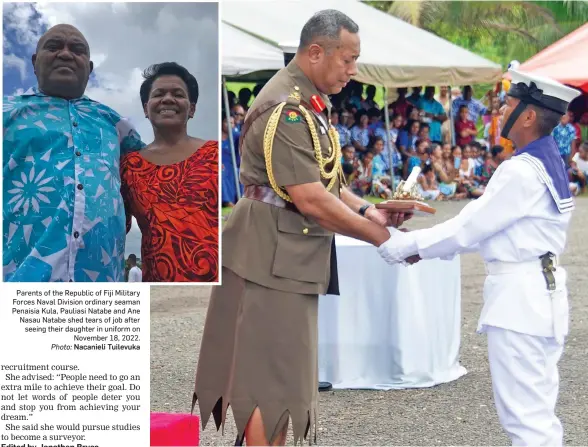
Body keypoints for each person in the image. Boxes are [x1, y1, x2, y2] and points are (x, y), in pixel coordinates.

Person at [193, 10, 412, 447]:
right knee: (270, 382)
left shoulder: (307, 98)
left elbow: (330, 179)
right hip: (270, 255)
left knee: (282, 375)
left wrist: (370, 211)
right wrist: (387, 241)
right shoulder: (288, 108)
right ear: (316, 52)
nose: (353, 71)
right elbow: (311, 198)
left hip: (281, 252)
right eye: (348, 60)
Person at [378, 68, 581, 446]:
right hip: (543, 296)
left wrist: (403, 246)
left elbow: (467, 228)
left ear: (529, 115)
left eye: (509, 104)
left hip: (521, 300)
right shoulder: (548, 159)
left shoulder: (521, 170)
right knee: (539, 414)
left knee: (525, 421)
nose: (502, 111)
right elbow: (482, 229)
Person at [3, 24, 144, 282]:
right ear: (35, 63)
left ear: (89, 68)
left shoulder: (115, 124)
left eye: (77, 50)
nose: (65, 54)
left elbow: (153, 173)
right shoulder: (6, 114)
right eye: (54, 47)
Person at [120, 62, 218, 283]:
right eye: (159, 94)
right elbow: (115, 228)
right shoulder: (129, 167)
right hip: (160, 290)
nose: (167, 99)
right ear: (146, 108)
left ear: (191, 109)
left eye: (177, 94)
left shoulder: (215, 154)